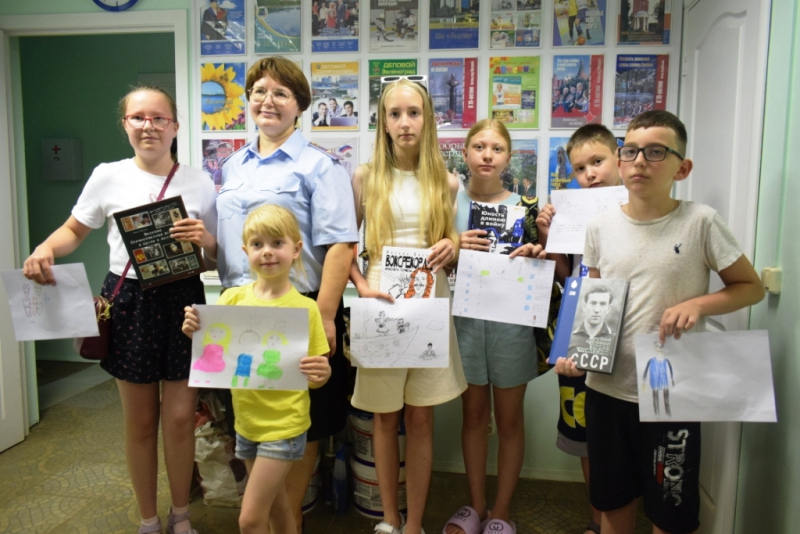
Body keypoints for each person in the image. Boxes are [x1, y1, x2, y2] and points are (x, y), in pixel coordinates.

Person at [554, 110, 764, 534]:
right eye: (630, 151)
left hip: (671, 393)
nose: (639, 161)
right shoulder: (599, 227)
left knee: (670, 512)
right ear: (620, 159)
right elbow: (596, 300)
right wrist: (577, 353)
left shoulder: (701, 222)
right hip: (606, 390)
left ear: (681, 168)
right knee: (612, 503)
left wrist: (700, 305)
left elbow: (750, 287)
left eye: (655, 152)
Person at [23, 86, 217, 534]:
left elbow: (213, 259)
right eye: (138, 117)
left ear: (175, 126)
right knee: (141, 421)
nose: (149, 126)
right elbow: (74, 230)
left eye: (159, 118)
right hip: (129, 302)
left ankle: (181, 514)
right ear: (125, 124)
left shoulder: (199, 181)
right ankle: (149, 519)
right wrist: (45, 248)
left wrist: (205, 241)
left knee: (181, 419)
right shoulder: (107, 176)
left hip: (184, 301)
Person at [216, 56, 358, 534]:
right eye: (259, 91)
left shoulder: (319, 165)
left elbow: (341, 245)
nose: (268, 101)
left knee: (301, 422)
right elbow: (235, 244)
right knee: (254, 414)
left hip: (300, 308)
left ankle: (289, 522)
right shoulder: (232, 165)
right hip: (242, 308)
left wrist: (323, 317)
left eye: (280, 92)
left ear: (300, 104)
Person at [349, 79, 467, 534]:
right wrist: (361, 285)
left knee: (421, 416)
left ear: (428, 119)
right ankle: (389, 520)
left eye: (413, 113)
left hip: (430, 300)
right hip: (382, 299)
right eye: (394, 114)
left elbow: (452, 244)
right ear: (383, 122)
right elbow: (344, 245)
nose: (404, 123)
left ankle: (414, 523)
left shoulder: (447, 181)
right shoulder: (365, 178)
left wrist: (453, 246)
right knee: (384, 416)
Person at [182, 205, 332, 534]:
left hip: (285, 426)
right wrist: (194, 329)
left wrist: (321, 374)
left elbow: (317, 373)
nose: (267, 252)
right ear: (245, 251)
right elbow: (213, 348)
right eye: (257, 244)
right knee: (279, 510)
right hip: (247, 424)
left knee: (250, 520)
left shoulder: (306, 309)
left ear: (296, 249)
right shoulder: (231, 300)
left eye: (277, 243)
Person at [443, 118, 546, 534]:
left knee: (509, 420)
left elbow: (552, 265)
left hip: (512, 324)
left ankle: (501, 511)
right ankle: (476, 505)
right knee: (472, 417)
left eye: (497, 148)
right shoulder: (448, 204)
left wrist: (537, 252)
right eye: (479, 147)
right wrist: (454, 246)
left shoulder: (528, 208)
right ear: (465, 153)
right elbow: (432, 259)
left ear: (508, 157)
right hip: (463, 321)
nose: (487, 155)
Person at [536, 123, 623, 534]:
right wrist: (548, 235)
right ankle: (596, 521)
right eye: (580, 168)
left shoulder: (638, 207)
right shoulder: (573, 214)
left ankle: (619, 522)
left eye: (598, 161)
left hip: (625, 334)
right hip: (581, 329)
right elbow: (565, 276)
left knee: (623, 436)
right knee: (587, 435)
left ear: (619, 157)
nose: (590, 173)